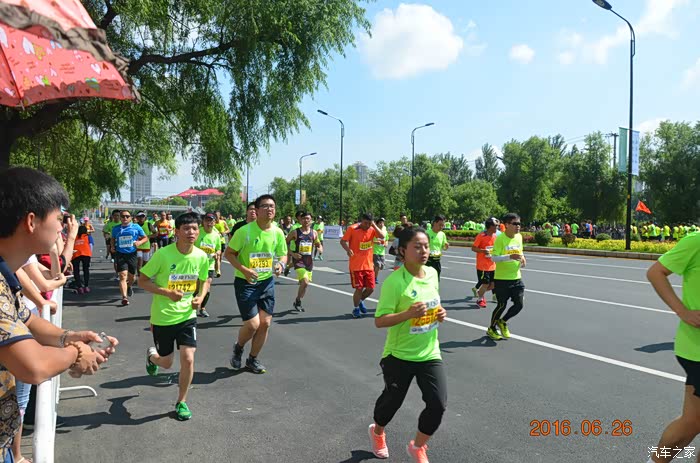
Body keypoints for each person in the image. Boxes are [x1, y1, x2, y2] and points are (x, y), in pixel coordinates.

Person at [0, 167, 118, 462]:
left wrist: (70, 337)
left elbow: (27, 319)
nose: (62, 228)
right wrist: (76, 353)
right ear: (31, 221)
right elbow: (33, 366)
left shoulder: (6, 275)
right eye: (59, 217)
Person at [368, 226, 447, 463]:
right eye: (417, 247)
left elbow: (434, 305)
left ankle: (418, 446)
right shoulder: (395, 282)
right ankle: (378, 431)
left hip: (429, 352)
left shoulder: (432, 273)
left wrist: (440, 313)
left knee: (438, 404)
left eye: (426, 246)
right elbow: (380, 321)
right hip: (399, 355)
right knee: (392, 403)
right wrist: (408, 314)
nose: (424, 251)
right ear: (402, 251)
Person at [139, 212, 210, 421]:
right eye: (186, 229)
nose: (191, 232)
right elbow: (142, 280)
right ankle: (152, 356)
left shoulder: (201, 256)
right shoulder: (163, 254)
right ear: (176, 231)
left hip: (187, 315)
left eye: (195, 228)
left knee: (188, 358)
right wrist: (167, 292)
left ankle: (182, 402)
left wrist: (200, 297)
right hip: (163, 317)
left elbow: (205, 281)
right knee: (167, 363)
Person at [646, 231, 700, 463]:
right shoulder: (697, 241)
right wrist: (682, 311)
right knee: (691, 423)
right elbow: (655, 272)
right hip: (697, 349)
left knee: (694, 421)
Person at [225, 195, 287, 374]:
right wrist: (244, 270)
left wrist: (281, 264)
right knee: (253, 324)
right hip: (245, 282)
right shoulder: (244, 231)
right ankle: (239, 347)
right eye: (265, 206)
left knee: (265, 323)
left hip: (266, 282)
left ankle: (252, 359)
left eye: (272, 206)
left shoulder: (277, 232)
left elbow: (283, 254)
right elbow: (229, 253)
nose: (269, 209)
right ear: (257, 210)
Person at [486, 213, 526, 341]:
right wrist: (510, 257)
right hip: (502, 279)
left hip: (516, 277)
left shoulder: (519, 237)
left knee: (519, 304)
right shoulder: (500, 239)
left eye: (519, 224)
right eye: (515, 224)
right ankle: (491, 328)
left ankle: (502, 321)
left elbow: (520, 251)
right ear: (507, 225)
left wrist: (523, 258)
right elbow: (494, 258)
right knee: (501, 305)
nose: (518, 226)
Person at [340, 213, 386, 318]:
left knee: (371, 288)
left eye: (369, 223)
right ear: (361, 220)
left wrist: (373, 225)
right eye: (365, 223)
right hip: (356, 265)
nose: (367, 225)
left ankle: (360, 300)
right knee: (359, 288)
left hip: (368, 265)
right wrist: (348, 249)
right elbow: (343, 241)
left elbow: (382, 236)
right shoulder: (352, 229)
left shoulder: (372, 229)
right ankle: (356, 309)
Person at [286, 212, 322, 312]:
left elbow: (318, 244)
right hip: (298, 260)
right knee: (305, 281)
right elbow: (284, 243)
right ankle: (298, 301)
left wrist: (320, 248)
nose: (306, 221)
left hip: (308, 262)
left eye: (308, 219)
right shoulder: (295, 232)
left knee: (305, 285)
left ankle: (298, 301)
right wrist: (292, 254)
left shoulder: (314, 233)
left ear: (311, 221)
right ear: (300, 220)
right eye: (304, 219)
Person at [111, 210, 148, 306]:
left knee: (132, 277)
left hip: (132, 254)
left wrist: (139, 242)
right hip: (120, 254)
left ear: (131, 218)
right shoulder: (116, 229)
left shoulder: (136, 227)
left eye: (127, 216)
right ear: (120, 218)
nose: (125, 218)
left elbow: (145, 238)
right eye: (123, 216)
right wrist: (112, 246)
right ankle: (124, 297)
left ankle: (129, 286)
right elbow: (113, 238)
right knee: (123, 275)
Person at [194, 213, 222, 318]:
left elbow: (219, 249)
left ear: (214, 222)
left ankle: (202, 308)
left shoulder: (216, 235)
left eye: (211, 221)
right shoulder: (198, 232)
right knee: (197, 288)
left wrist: (216, 253)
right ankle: (191, 306)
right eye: (207, 220)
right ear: (203, 222)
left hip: (209, 264)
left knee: (207, 287)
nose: (209, 223)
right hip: (196, 264)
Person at [471, 218, 499, 308]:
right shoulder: (481, 236)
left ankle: (480, 292)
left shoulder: (495, 236)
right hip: (483, 266)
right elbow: (473, 248)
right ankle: (480, 299)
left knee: (493, 285)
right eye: (495, 225)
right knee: (485, 284)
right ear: (490, 226)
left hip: (492, 264)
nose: (497, 227)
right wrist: (483, 251)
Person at [425, 215, 449, 281]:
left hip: (437, 260)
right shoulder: (427, 233)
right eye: (440, 225)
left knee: (436, 280)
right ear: (435, 223)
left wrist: (446, 246)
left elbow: (443, 247)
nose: (441, 227)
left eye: (443, 225)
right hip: (427, 260)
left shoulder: (442, 234)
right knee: (426, 279)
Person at [72, 225, 92, 294]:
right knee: (86, 270)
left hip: (76, 253)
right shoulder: (88, 236)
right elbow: (91, 244)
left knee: (76, 270)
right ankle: (86, 286)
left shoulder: (74, 237)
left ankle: (79, 287)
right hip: (86, 253)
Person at [135, 212, 154, 278]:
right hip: (138, 245)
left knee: (145, 262)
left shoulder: (148, 224)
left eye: (142, 216)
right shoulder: (135, 225)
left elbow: (155, 233)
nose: (141, 218)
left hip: (146, 245)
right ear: (137, 218)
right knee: (139, 261)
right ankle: (139, 276)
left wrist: (148, 237)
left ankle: (144, 275)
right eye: (140, 217)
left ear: (145, 218)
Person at [214, 211, 230, 278]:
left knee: (220, 257)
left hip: (222, 241)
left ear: (219, 215)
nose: (216, 216)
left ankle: (218, 268)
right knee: (216, 257)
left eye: (217, 215)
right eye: (215, 215)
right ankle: (217, 270)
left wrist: (224, 232)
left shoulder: (223, 222)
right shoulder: (213, 223)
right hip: (214, 242)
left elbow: (228, 230)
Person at [373, 218, 388, 284]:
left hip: (382, 252)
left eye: (383, 223)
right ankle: (375, 278)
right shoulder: (373, 231)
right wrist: (376, 242)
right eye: (380, 223)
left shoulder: (385, 231)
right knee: (378, 265)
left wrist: (386, 244)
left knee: (381, 266)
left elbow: (386, 239)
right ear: (377, 224)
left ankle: (372, 274)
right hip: (374, 251)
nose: (382, 224)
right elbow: (369, 240)